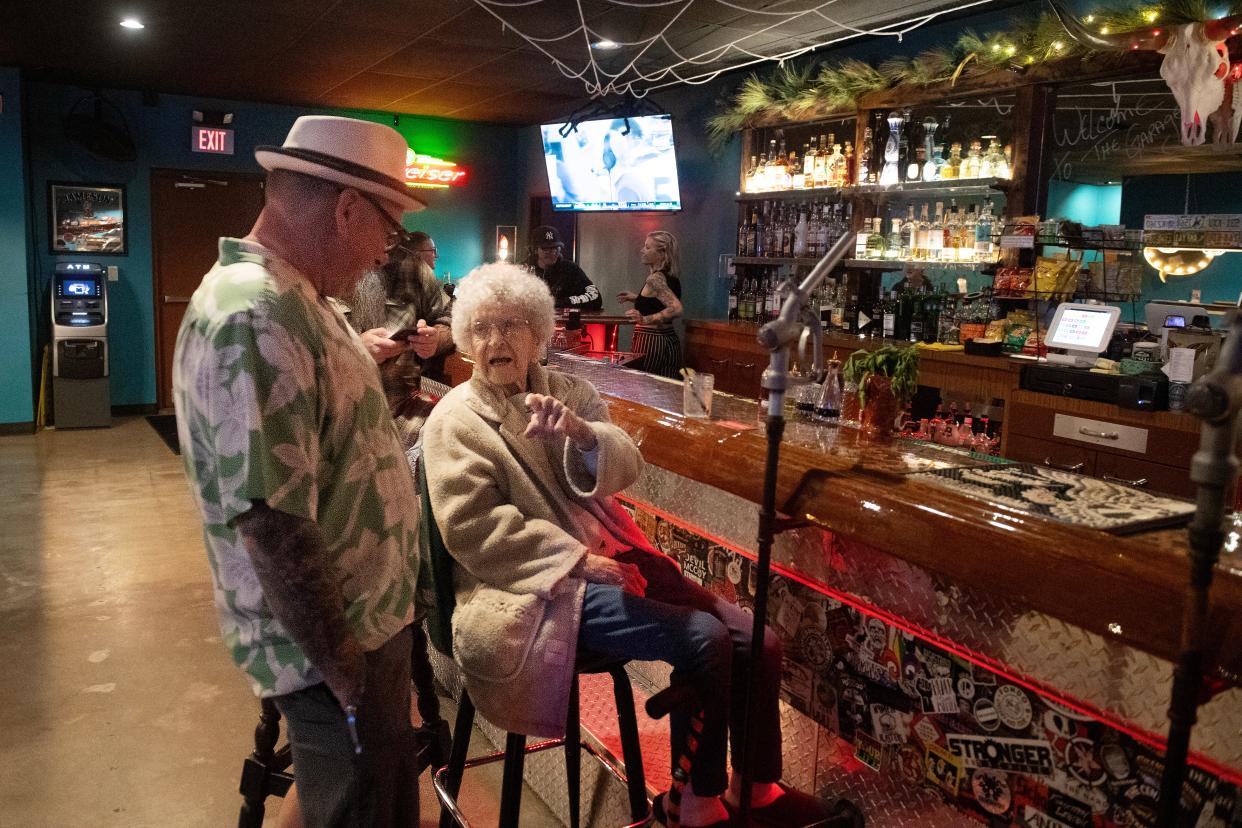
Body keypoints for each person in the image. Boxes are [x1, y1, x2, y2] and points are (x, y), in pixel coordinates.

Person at [421, 263, 827, 828]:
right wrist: (576, 562)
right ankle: (695, 802)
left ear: (538, 334)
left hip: (611, 556)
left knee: (758, 642)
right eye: (483, 328)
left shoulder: (569, 393)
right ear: (466, 338)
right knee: (706, 640)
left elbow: (624, 465)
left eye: (512, 325)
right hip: (534, 588)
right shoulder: (455, 421)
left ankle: (755, 789)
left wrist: (582, 435)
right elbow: (474, 530)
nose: (496, 341)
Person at [173, 115, 424, 828]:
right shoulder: (258, 313)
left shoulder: (296, 298)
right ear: (347, 209)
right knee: (359, 811)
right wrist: (347, 675)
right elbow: (272, 522)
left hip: (360, 631)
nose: (383, 253)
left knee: (349, 802)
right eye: (388, 229)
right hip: (337, 647)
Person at [343, 241, 454, 448]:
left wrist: (435, 338)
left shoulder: (409, 266)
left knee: (460, 434)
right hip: (341, 421)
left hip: (401, 410)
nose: (393, 235)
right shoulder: (318, 266)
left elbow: (452, 317)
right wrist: (354, 349)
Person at [618, 230, 684, 378]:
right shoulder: (670, 276)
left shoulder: (654, 279)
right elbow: (658, 302)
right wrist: (636, 298)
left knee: (644, 390)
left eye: (648, 247)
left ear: (662, 253)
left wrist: (644, 319)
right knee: (667, 391)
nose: (642, 250)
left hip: (651, 340)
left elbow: (676, 308)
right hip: (669, 339)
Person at [527, 224, 602, 312]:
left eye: (556, 248)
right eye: (546, 249)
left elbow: (595, 298)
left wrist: (557, 303)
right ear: (535, 250)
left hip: (562, 323)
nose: (553, 252)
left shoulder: (570, 269)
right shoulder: (522, 270)